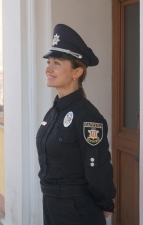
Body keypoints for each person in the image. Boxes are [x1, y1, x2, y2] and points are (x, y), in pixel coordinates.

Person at [36, 24, 116, 225]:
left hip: (77, 208)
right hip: (51, 204)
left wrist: (105, 202)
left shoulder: (87, 117)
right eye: (49, 62)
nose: (49, 68)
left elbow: (97, 167)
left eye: (57, 63)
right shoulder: (54, 111)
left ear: (76, 72)